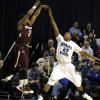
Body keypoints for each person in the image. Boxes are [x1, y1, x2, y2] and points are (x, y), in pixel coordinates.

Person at [43, 8, 100, 100]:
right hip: (59, 65)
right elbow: (55, 27)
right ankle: (41, 96)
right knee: (50, 81)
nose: (66, 34)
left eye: (67, 34)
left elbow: (84, 53)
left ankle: (83, 94)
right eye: (65, 34)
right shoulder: (60, 39)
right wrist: (50, 16)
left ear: (70, 37)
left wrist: (95, 58)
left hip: (69, 66)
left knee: (77, 82)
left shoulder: (73, 44)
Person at [2, 0, 49, 94]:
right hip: (20, 47)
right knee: (22, 66)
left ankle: (22, 85)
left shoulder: (29, 25)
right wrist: (35, 6)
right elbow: (29, 14)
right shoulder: (20, 25)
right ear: (23, 19)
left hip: (26, 47)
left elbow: (35, 15)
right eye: (27, 18)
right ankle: (11, 76)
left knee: (24, 67)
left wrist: (41, 7)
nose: (29, 19)